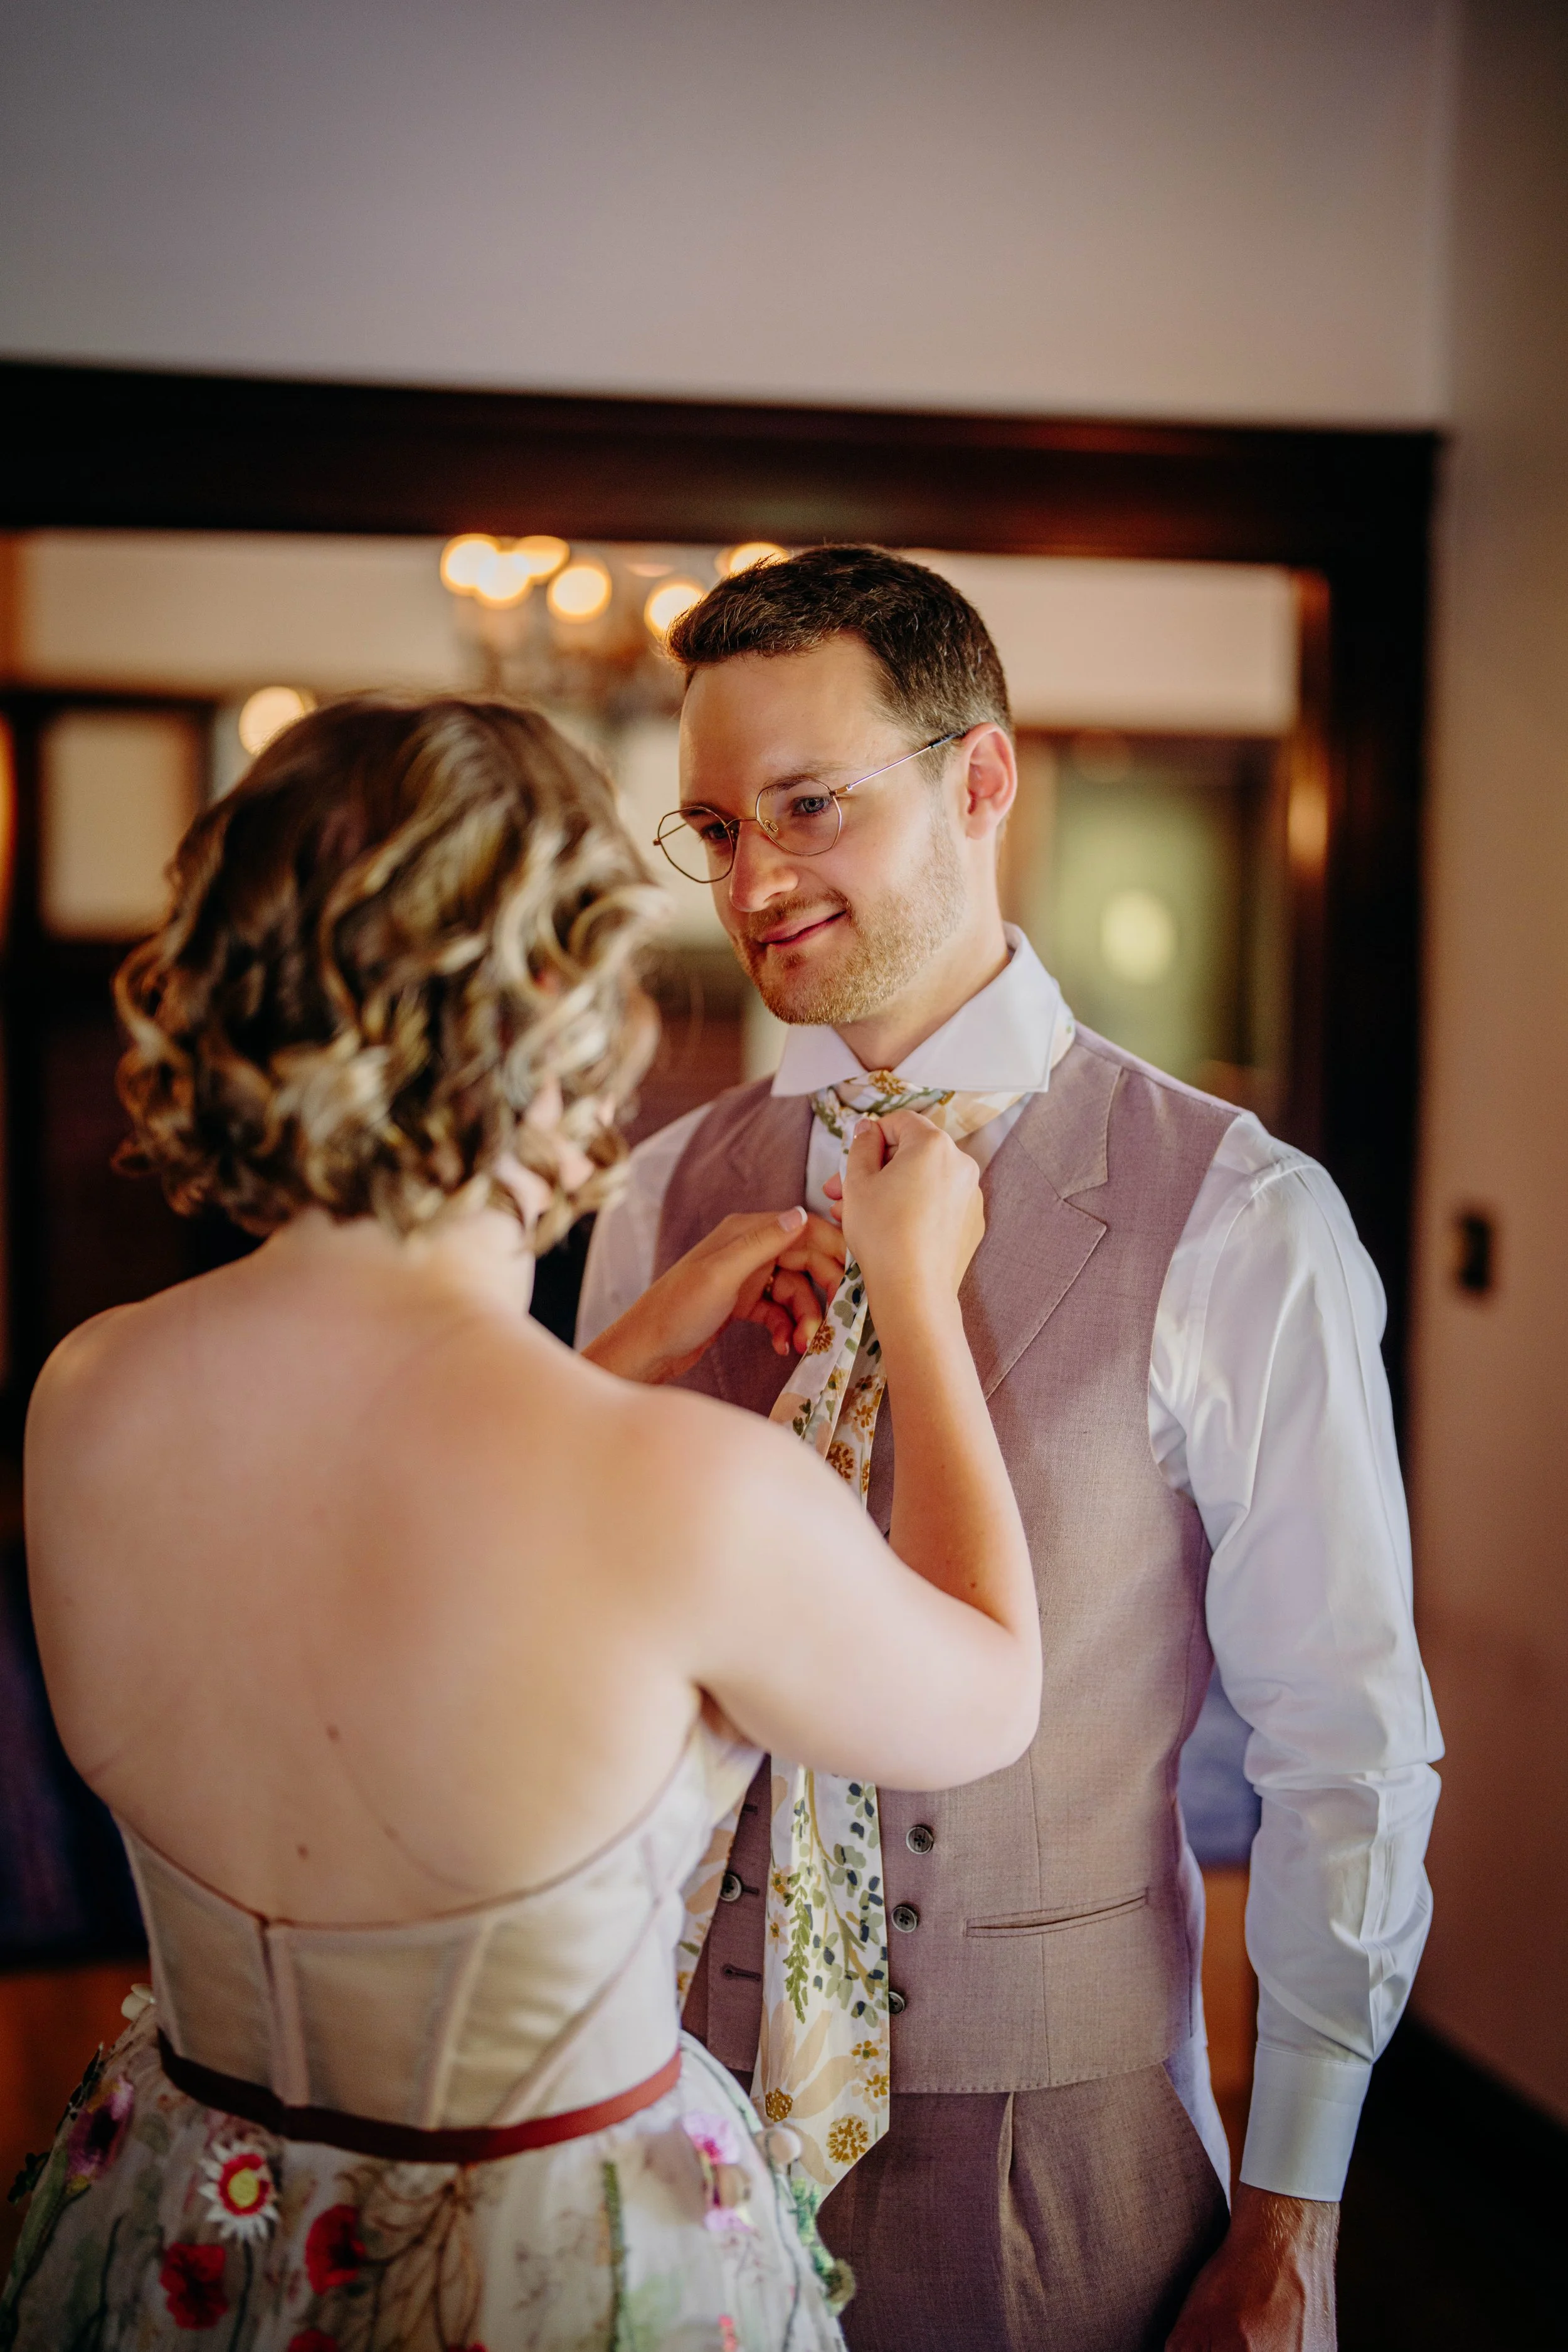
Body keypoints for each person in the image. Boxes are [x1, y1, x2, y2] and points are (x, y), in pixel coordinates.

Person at [1, 694, 1041, 2351]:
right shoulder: (672, 1489)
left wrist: (622, 1347)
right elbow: (986, 1692)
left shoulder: (85, 1395)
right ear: (560, 1011)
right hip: (535, 2264)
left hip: (188, 2216)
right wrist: (917, 1295)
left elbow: (372, 1500)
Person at [576, 547, 1444, 2352]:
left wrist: (1290, 2223)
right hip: (663, 2130)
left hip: (1062, 2168)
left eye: (809, 803)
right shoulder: (659, 1198)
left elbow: (1342, 1747)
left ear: (982, 778)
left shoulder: (1241, 1218)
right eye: (716, 828)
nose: (754, 877)